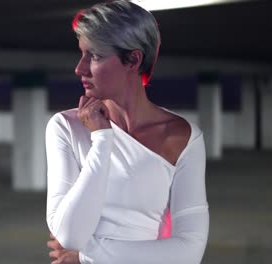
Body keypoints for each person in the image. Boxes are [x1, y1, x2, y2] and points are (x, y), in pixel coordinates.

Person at [45, 0, 209, 263]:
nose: (80, 68)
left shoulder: (184, 137)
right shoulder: (65, 127)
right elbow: (69, 236)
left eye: (95, 55)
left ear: (133, 59)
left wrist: (87, 257)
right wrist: (101, 139)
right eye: (81, 53)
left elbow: (189, 251)